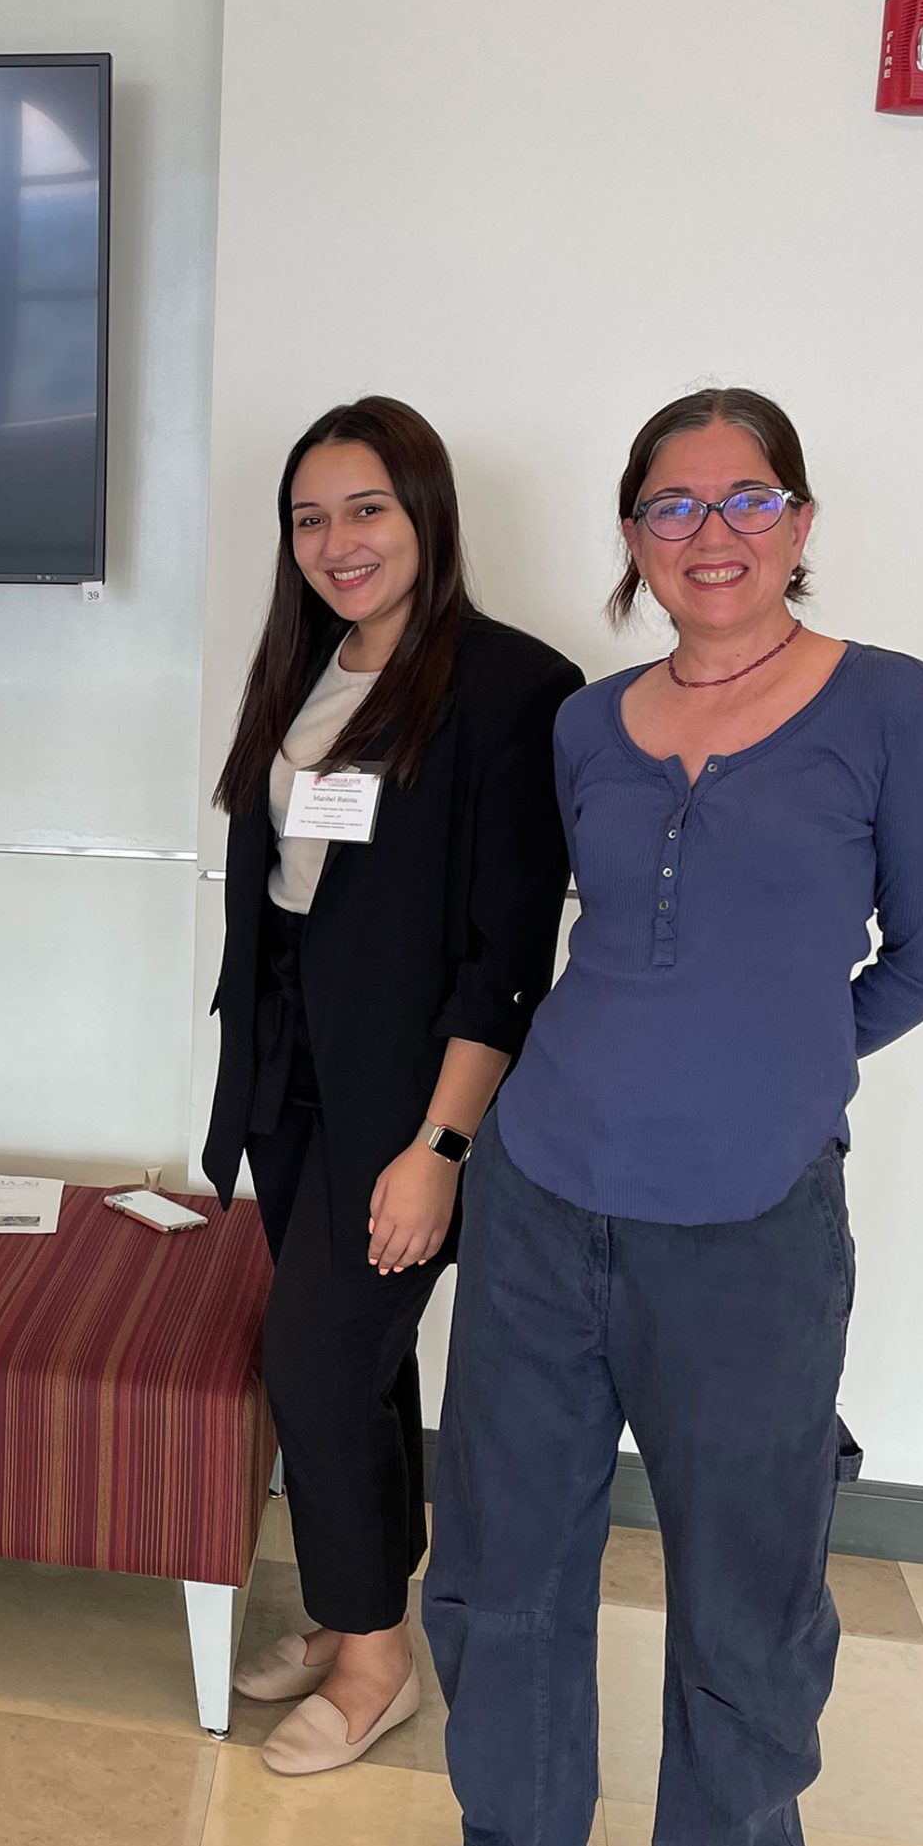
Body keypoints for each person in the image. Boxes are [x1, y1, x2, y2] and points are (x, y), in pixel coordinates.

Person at [405, 387, 923, 1846]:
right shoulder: (587, 726)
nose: (710, 532)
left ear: (797, 523)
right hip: (540, 1192)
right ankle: (515, 1832)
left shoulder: (886, 708)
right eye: (672, 504)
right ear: (631, 536)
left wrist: (788, 1067)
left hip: (744, 1221)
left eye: (746, 497)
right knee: (505, 1540)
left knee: (744, 1564)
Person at [205, 397, 582, 1774]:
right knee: (348, 1368)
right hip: (290, 1071)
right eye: (309, 518)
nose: (335, 541)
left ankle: (376, 1662)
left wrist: (441, 1146)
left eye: (366, 508)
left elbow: (505, 957)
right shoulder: (303, 668)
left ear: (426, 514)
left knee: (314, 1355)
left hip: (410, 1098)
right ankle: (352, 1608)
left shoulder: (511, 689)